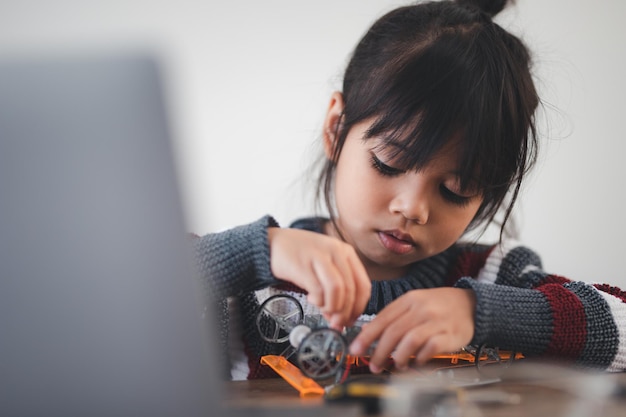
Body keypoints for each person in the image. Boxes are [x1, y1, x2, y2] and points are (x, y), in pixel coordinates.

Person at [195, 0, 626, 380]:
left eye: (458, 189)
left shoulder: (491, 274)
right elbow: (134, 296)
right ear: (335, 129)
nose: (413, 208)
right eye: (389, 163)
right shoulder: (254, 288)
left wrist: (481, 314)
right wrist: (256, 252)